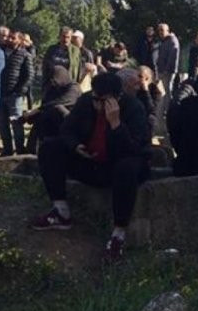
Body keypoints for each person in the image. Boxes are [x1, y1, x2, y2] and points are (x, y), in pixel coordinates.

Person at [30, 72, 151, 262]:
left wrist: (116, 124)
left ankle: (118, 234)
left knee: (127, 167)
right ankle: (61, 211)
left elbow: (135, 149)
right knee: (50, 148)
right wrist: (76, 146)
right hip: (90, 162)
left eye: (103, 101)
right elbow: (67, 129)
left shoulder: (134, 108)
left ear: (116, 98)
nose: (98, 105)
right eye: (95, 99)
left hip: (118, 165)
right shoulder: (86, 102)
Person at [21, 66, 81, 154]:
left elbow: (58, 103)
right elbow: (46, 103)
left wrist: (35, 111)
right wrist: (31, 115)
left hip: (67, 120)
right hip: (50, 120)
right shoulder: (54, 88)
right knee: (41, 118)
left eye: (55, 80)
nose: (53, 83)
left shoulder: (74, 88)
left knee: (57, 109)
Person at [0, 31, 34, 156]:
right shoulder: (1, 52)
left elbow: (29, 75)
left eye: (13, 38)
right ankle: (7, 149)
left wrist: (20, 91)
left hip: (15, 94)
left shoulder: (25, 55)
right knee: (2, 124)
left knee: (16, 123)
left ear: (20, 40)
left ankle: (19, 149)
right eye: (9, 37)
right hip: (1, 93)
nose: (9, 39)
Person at [154, 23, 180, 133]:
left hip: (167, 72)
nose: (160, 32)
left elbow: (172, 57)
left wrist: (166, 70)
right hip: (162, 70)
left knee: (166, 93)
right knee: (163, 92)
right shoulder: (164, 41)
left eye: (162, 30)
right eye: (159, 30)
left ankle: (166, 111)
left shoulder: (172, 41)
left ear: (167, 30)